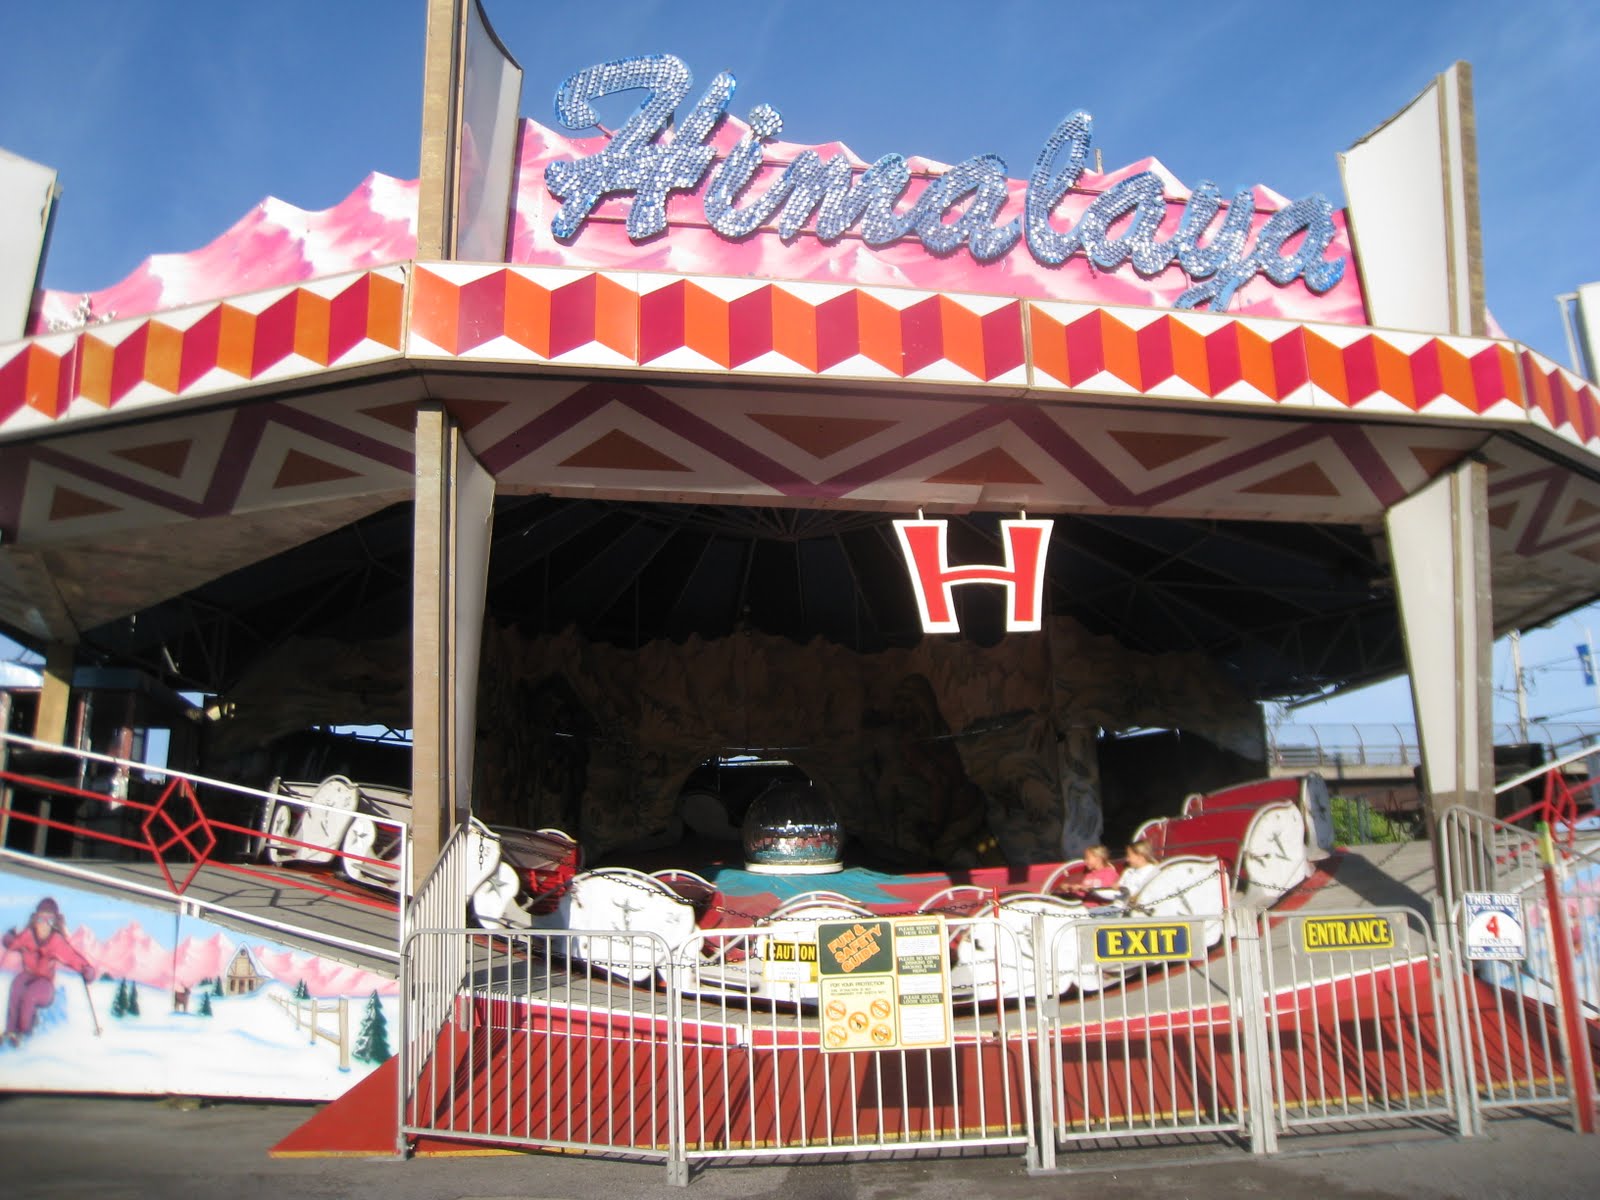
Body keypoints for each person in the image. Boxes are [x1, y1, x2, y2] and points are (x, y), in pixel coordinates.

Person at [3, 897, 95, 1047]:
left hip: (44, 983)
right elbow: (14, 943)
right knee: (17, 985)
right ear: (35, 919)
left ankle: (24, 1031)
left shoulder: (56, 941)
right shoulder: (28, 935)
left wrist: (85, 969)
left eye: (49, 920)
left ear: (55, 923)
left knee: (30, 995)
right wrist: (9, 939)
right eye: (41, 919)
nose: (44, 925)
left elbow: (71, 957)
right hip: (28, 974)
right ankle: (10, 1030)